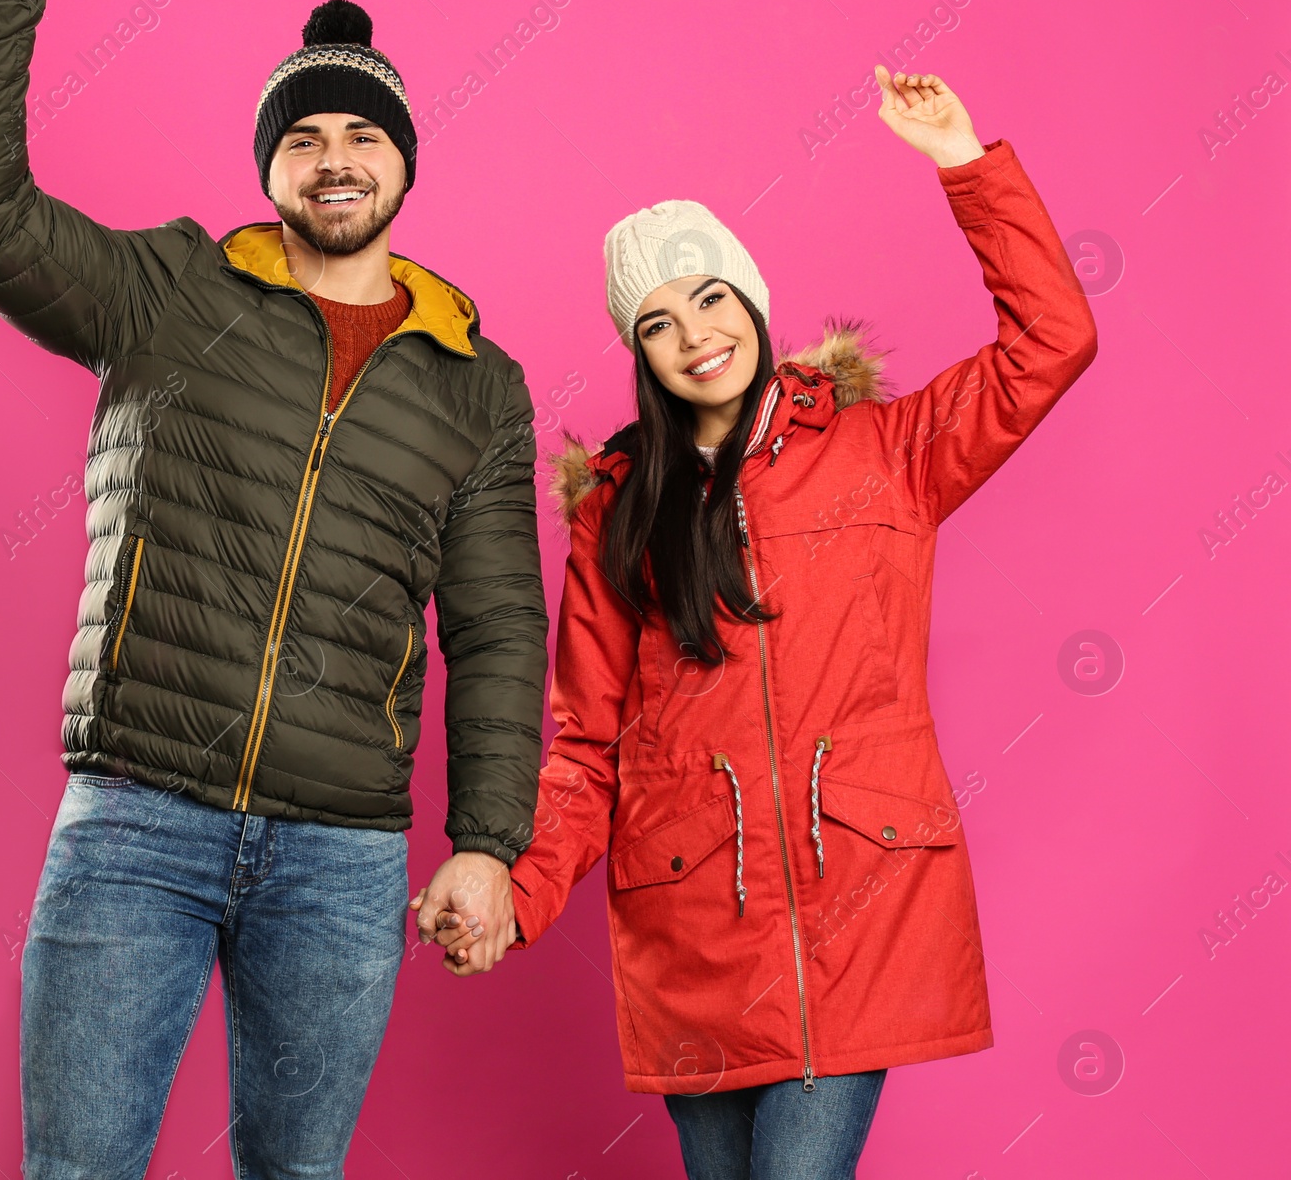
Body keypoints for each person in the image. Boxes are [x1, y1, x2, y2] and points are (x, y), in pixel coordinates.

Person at [0, 0, 546, 1179]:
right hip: (136, 818)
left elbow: (496, 632)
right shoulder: (167, 290)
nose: (335, 157)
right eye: (304, 134)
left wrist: (487, 844)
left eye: (363, 136)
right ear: (270, 163)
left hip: (342, 850)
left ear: (404, 163)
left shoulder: (477, 380)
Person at [426, 67, 1098, 1177]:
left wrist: (962, 164)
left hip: (859, 905)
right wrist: (516, 895)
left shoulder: (888, 450)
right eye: (655, 322)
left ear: (748, 297)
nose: (692, 334)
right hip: (691, 926)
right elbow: (588, 747)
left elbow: (1051, 341)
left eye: (707, 297)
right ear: (636, 353)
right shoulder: (618, 511)